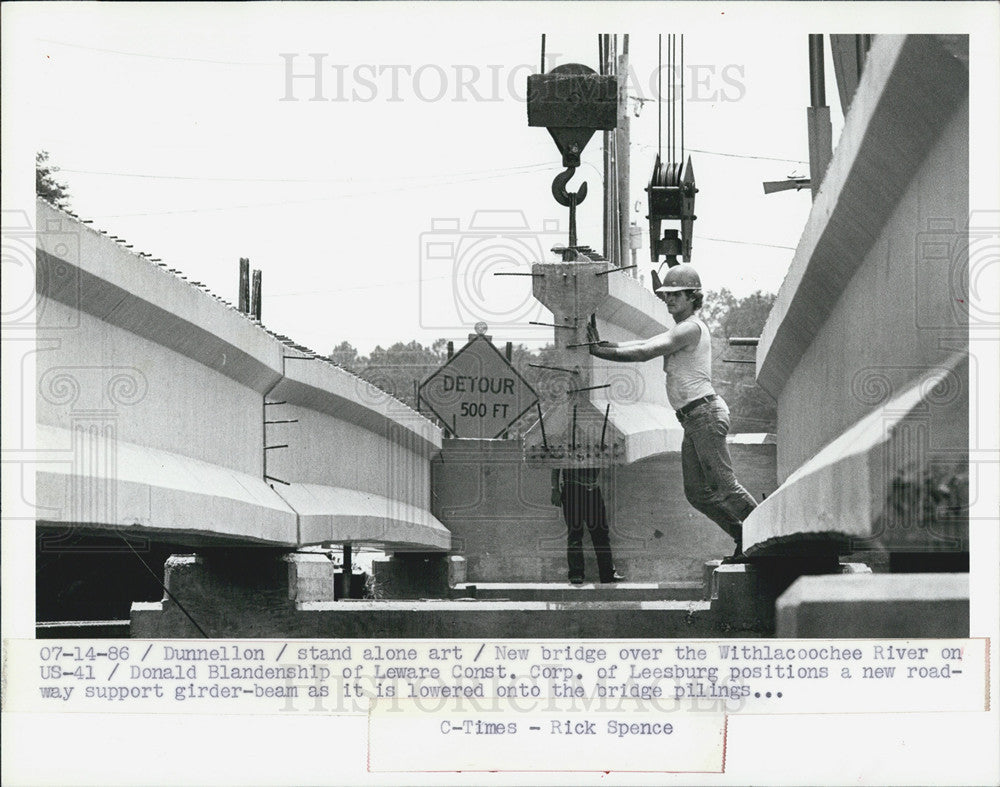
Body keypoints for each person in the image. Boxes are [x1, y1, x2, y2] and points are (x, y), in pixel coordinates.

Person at [587, 263, 756, 562]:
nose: (669, 300)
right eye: (666, 295)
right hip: (693, 419)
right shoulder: (679, 328)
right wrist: (605, 344)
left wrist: (601, 351)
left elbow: (645, 351)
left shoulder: (690, 328)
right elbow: (645, 342)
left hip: (704, 414)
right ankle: (745, 538)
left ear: (693, 297)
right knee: (697, 493)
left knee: (725, 487)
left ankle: (768, 539)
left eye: (677, 295)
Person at [551, 468, 625, 584]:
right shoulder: (567, 449)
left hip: (590, 489)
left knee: (600, 533)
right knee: (575, 532)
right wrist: (554, 489)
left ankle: (606, 573)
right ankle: (577, 573)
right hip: (573, 489)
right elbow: (556, 464)